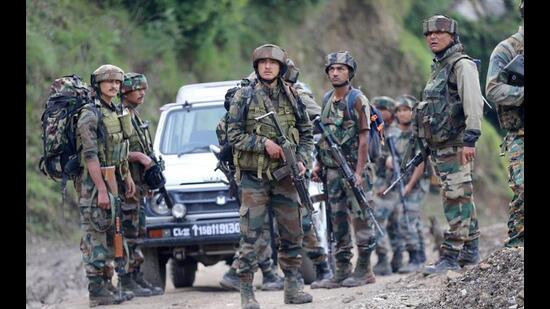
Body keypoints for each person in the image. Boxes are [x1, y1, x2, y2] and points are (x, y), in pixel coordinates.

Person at [227, 43, 314, 308]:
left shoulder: (292, 95)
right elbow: (233, 135)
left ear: (280, 67)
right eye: (262, 63)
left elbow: (307, 133)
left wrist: (301, 160)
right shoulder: (243, 96)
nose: (267, 66)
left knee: (292, 234)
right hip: (254, 178)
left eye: (273, 63)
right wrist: (263, 144)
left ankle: (292, 286)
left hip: (286, 178)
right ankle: (246, 291)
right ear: (256, 67)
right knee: (251, 236)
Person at [416, 15, 483, 275]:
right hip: (442, 146)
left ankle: (452, 255)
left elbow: (473, 102)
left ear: (452, 36)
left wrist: (470, 139)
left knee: (455, 197)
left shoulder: (461, 64)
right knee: (461, 195)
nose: (433, 37)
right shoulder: (440, 66)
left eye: (439, 33)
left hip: (457, 144)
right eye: (429, 34)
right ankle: (470, 251)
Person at [311, 51, 376, 288]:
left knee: (361, 220)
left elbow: (364, 138)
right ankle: (341, 269)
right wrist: (319, 164)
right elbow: (324, 137)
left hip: (353, 171)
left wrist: (358, 172)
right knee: (336, 221)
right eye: (332, 69)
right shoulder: (328, 98)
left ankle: (364, 270)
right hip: (332, 172)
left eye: (341, 68)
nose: (335, 72)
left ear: (350, 72)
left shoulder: (357, 99)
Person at [77, 64, 136, 306]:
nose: (114, 86)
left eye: (117, 82)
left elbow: (121, 150)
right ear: (98, 84)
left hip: (115, 181)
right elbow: (90, 156)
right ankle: (96, 291)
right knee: (96, 236)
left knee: (114, 235)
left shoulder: (116, 111)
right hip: (95, 186)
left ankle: (107, 286)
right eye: (108, 81)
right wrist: (101, 189)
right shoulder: (90, 115)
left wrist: (127, 176)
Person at [119, 72, 164, 296]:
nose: (143, 92)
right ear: (125, 91)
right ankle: (126, 279)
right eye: (138, 89)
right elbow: (113, 151)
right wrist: (138, 157)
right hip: (127, 187)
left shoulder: (134, 115)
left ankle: (136, 276)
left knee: (138, 232)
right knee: (128, 233)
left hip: (139, 186)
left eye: (144, 88)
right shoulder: (119, 116)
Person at [485, 0, 524, 248]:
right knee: (522, 189)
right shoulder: (507, 49)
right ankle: (516, 248)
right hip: (520, 133)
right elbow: (493, 89)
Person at [388, 95, 428, 273]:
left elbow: (421, 163)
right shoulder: (393, 134)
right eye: (399, 110)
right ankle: (420, 256)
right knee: (412, 219)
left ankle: (415, 256)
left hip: (416, 183)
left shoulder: (417, 132)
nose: (402, 114)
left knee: (408, 219)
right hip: (401, 181)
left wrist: (410, 186)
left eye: (406, 110)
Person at [370, 96, 405, 275]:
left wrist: (387, 185)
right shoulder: (378, 130)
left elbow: (397, 163)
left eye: (382, 109)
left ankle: (385, 259)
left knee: (379, 221)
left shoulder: (394, 134)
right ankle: (396, 258)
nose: (378, 112)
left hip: (388, 187)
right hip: (383, 185)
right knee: (392, 223)